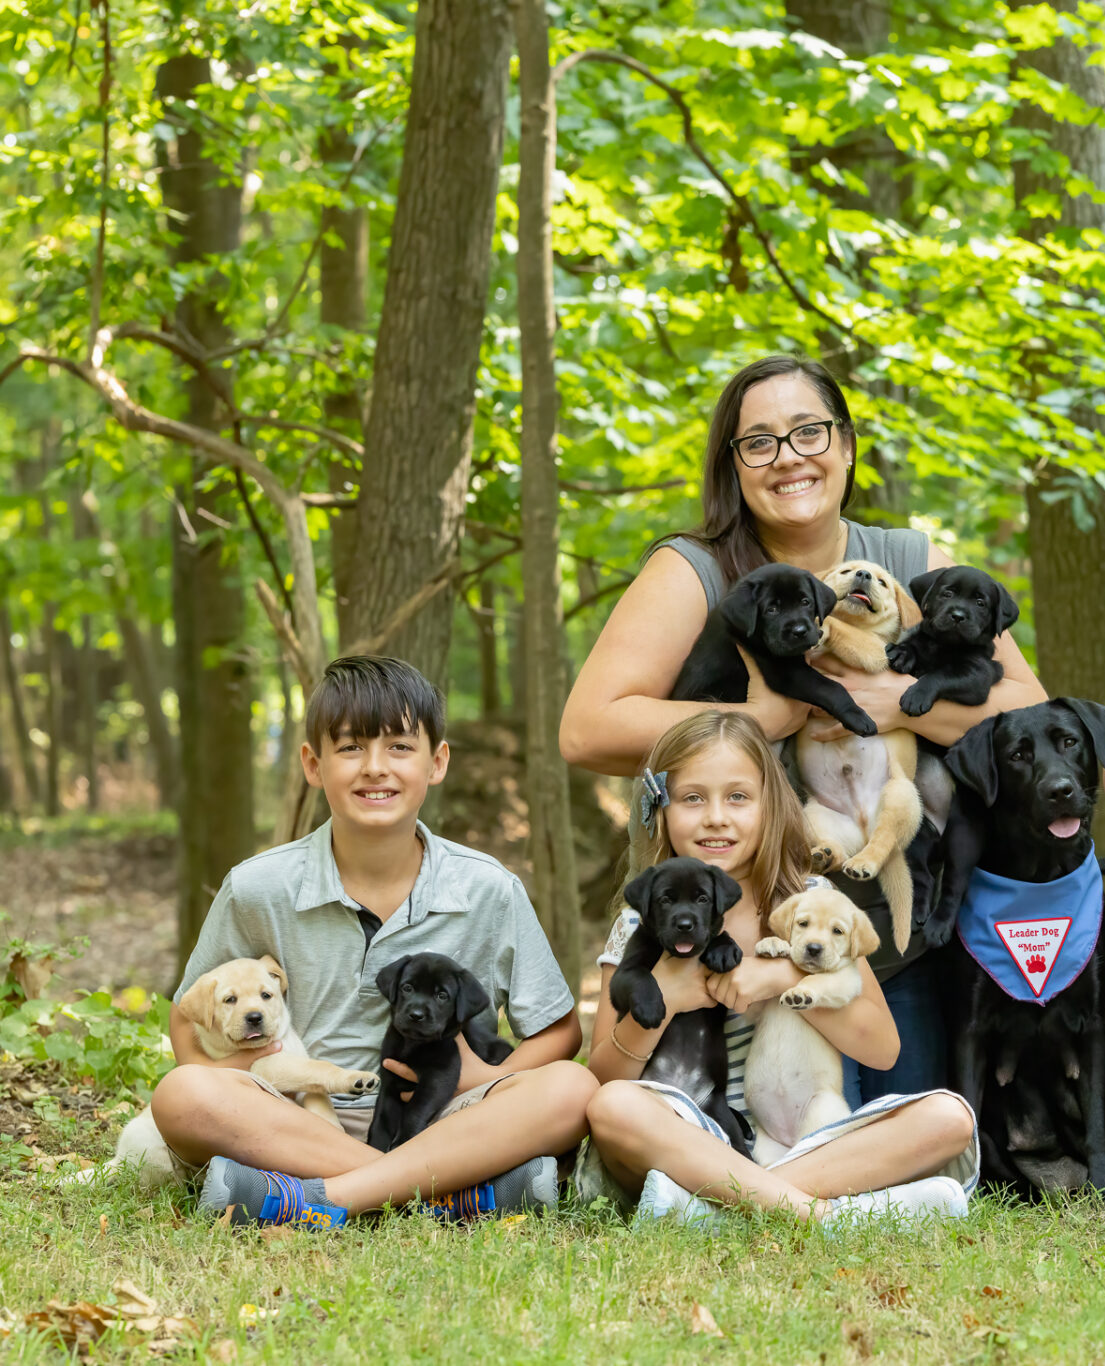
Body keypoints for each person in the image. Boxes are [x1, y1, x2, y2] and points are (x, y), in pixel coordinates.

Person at [560, 355, 1046, 1104]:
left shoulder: (907, 562)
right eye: (759, 442)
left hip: (880, 929)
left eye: (809, 432)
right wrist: (764, 719)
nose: (788, 458)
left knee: (913, 1122)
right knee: (730, 1120)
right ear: (733, 465)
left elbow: (1028, 704)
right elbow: (588, 729)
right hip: (723, 926)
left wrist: (893, 700)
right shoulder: (695, 569)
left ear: (847, 446)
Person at [151, 656, 597, 1228]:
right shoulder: (258, 887)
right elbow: (187, 1021)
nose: (375, 768)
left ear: (437, 762)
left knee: (572, 1087)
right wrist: (238, 1075)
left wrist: (481, 1080)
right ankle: (442, 1195)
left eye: (399, 748)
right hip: (297, 1117)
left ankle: (311, 1198)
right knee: (182, 1095)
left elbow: (559, 1031)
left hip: (444, 1117)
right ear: (314, 764)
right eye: (351, 748)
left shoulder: (488, 888)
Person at [576, 710, 978, 1223]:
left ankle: (722, 1213)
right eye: (693, 797)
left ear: (771, 807)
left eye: (738, 797)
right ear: (661, 809)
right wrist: (668, 995)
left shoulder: (813, 905)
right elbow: (605, 1079)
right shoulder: (640, 924)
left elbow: (882, 1047)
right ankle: (824, 1215)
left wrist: (787, 975)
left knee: (947, 1117)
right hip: (683, 1141)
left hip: (806, 1142)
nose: (716, 817)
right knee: (613, 1109)